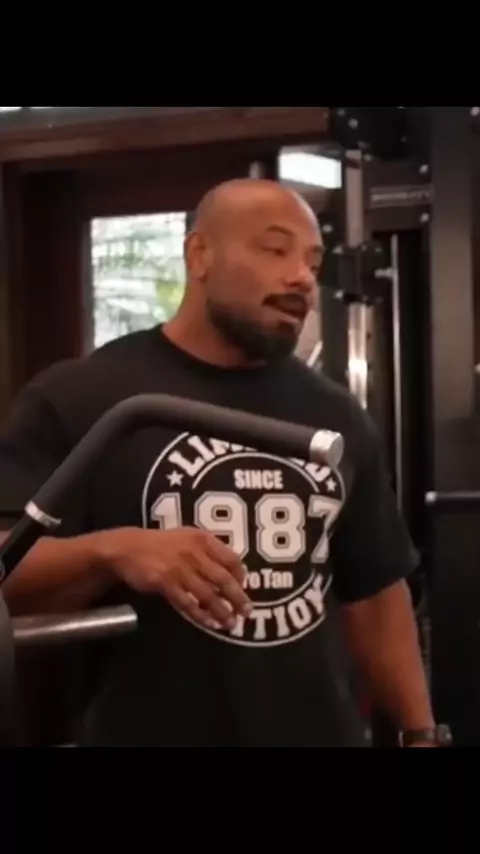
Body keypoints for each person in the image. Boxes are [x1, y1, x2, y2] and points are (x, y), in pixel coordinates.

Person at [0, 178, 440, 747]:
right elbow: (9, 570)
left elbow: (375, 594)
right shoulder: (81, 397)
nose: (301, 277)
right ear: (199, 255)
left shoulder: (336, 416)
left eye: (312, 262)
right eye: (274, 249)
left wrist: (421, 733)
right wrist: (117, 550)